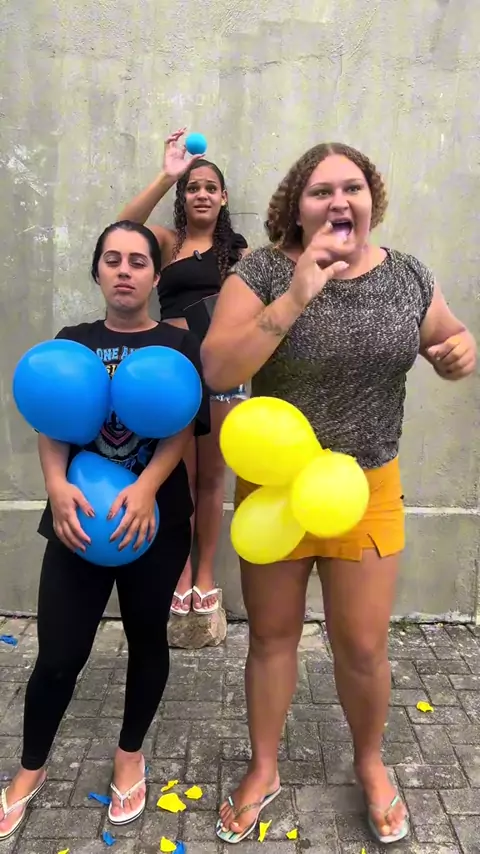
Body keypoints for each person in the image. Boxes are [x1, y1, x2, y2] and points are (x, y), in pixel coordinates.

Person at [201, 142, 477, 845]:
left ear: (370, 199)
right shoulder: (262, 271)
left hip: (368, 486)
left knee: (362, 645)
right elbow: (219, 368)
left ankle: (371, 764)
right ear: (297, 206)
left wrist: (458, 352)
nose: (338, 201)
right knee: (272, 637)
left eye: (351, 187)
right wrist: (297, 295)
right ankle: (264, 768)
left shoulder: (408, 275)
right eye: (320, 191)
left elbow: (447, 339)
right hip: (275, 489)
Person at [0, 221, 210, 841]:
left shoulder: (177, 343)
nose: (124, 270)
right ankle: (30, 768)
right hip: (77, 521)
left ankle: (129, 757)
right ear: (97, 271)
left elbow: (180, 425)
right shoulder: (73, 341)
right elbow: (52, 419)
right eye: (112, 259)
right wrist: (54, 486)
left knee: (147, 643)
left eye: (138, 261)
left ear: (155, 275)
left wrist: (145, 489)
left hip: (154, 523)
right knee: (58, 657)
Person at [118, 128, 249, 618]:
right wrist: (166, 175)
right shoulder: (167, 243)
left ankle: (206, 572)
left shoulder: (237, 252)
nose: (201, 194)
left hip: (219, 373)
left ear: (223, 197)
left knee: (211, 479)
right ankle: (180, 572)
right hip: (172, 373)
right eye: (192, 188)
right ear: (183, 196)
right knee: (178, 476)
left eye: (210, 188)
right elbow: (122, 229)